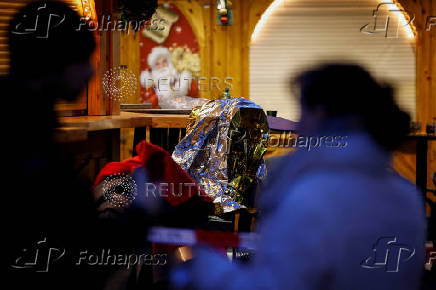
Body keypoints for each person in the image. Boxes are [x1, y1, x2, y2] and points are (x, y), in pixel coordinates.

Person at [171, 64, 427, 290]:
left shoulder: (310, 200)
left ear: (319, 116)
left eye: (302, 113)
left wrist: (201, 264)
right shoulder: (406, 195)